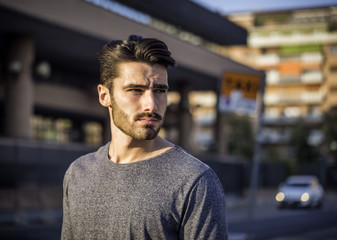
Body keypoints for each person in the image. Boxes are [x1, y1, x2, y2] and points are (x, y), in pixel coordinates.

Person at [61, 34, 228, 240]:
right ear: (105, 96)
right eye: (136, 90)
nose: (151, 104)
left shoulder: (195, 181)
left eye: (159, 90)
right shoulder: (78, 173)